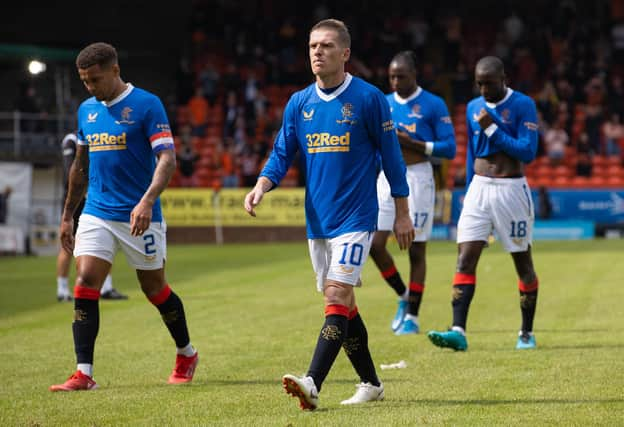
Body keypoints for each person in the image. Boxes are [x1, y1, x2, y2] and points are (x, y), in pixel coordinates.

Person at [244, 19, 414, 410]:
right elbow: (282, 152)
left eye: (326, 46)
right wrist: (262, 185)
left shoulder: (370, 99)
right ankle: (371, 382)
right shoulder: (299, 103)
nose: (317, 52)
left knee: (336, 295)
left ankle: (312, 382)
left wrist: (402, 214)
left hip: (356, 219)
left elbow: (393, 159)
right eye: (312, 46)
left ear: (345, 53)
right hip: (318, 222)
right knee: (346, 307)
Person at [50, 42, 198, 391]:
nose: (90, 87)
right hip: (97, 211)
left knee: (154, 289)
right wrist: (68, 215)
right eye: (84, 81)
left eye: (95, 80)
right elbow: (80, 166)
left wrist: (147, 201)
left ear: (115, 70)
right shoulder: (86, 110)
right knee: (86, 280)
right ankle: (84, 372)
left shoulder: (147, 105)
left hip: (139, 215)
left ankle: (186, 352)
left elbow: (167, 159)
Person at [427, 56, 540, 351]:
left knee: (522, 262)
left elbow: (527, 152)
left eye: (488, 83)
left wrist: (492, 129)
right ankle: (458, 331)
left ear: (504, 78)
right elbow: (471, 152)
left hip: (511, 190)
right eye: (479, 83)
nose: (483, 89)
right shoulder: (474, 107)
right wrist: (467, 187)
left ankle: (526, 333)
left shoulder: (523, 105)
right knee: (465, 257)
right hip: (477, 189)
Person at [369, 51, 456, 335]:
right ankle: (404, 295)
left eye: (400, 76)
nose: (395, 81)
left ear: (413, 75)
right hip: (387, 178)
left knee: (416, 250)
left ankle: (413, 317)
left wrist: (414, 143)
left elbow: (449, 148)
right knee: (375, 244)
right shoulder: (383, 102)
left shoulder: (433, 104)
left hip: (418, 177)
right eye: (391, 76)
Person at [56, 131, 128, 301]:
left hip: (95, 198)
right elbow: (71, 171)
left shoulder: (99, 138)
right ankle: (62, 290)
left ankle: (106, 288)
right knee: (68, 246)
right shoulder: (71, 140)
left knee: (105, 240)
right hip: (74, 201)